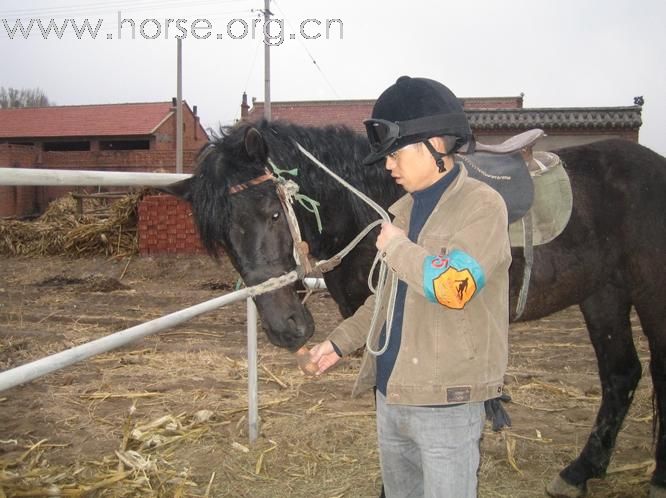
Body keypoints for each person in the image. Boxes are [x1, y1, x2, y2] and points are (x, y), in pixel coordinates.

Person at [309, 75, 511, 498]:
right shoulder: (400, 212)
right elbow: (384, 299)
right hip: (391, 394)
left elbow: (455, 287)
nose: (388, 165)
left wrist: (399, 248)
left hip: (447, 404)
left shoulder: (482, 206)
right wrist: (338, 343)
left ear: (437, 144)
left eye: (396, 153)